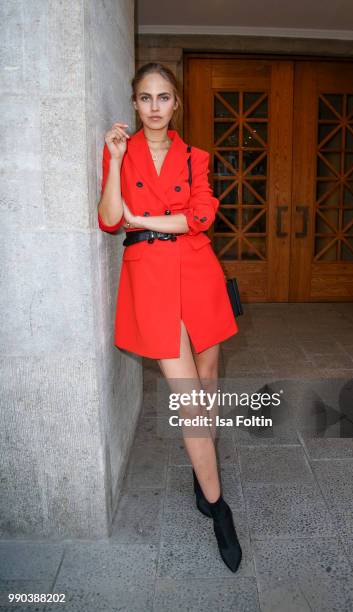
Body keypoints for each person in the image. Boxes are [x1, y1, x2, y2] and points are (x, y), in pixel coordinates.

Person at [97, 62, 242, 572]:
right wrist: (114, 162)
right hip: (151, 281)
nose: (154, 107)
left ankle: (202, 481)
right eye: (145, 98)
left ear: (175, 104)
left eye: (164, 98)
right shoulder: (120, 152)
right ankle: (218, 505)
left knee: (207, 379)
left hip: (198, 272)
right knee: (187, 398)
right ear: (134, 104)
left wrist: (148, 219)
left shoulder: (194, 157)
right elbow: (111, 219)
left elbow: (202, 214)